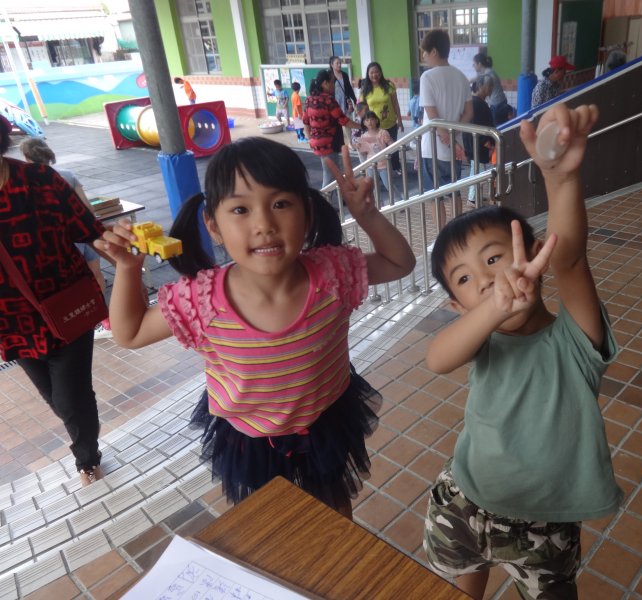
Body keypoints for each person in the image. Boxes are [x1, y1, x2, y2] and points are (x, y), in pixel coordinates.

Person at [95, 137, 416, 516]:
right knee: (267, 521)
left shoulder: (333, 274)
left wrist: (367, 216)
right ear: (213, 226)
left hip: (325, 421)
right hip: (250, 439)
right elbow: (130, 332)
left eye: (280, 204)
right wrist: (128, 269)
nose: (264, 224)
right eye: (240, 209)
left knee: (333, 513)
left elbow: (400, 263)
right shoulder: (200, 299)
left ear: (307, 214)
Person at [424, 103, 622, 599]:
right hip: (465, 499)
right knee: (463, 573)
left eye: (495, 258)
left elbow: (571, 259)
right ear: (457, 306)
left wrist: (559, 177)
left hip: (543, 524)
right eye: (465, 279)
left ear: (533, 255)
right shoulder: (483, 339)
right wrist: (493, 308)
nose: (486, 280)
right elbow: (436, 359)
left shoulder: (574, 340)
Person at [0, 115, 107, 487]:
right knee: (59, 400)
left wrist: (125, 255)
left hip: (66, 309)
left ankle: (87, 460)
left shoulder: (41, 180)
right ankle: (84, 431)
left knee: (71, 398)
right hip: (12, 323)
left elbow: (90, 230)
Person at [18, 137, 106, 295]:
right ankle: (101, 307)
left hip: (64, 242)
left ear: (26, 157)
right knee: (96, 274)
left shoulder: (24, 184)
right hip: (86, 234)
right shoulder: (67, 175)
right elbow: (87, 208)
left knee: (76, 284)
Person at [418, 29, 472, 226]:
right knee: (454, 191)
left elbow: (432, 116)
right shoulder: (461, 77)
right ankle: (456, 233)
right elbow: (469, 113)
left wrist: (445, 136)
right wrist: (453, 134)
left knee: (435, 196)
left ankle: (442, 236)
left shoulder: (427, 77)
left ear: (434, 51)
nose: (423, 57)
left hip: (432, 147)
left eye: (424, 52)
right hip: (454, 147)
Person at [303, 69, 361, 194]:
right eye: (332, 82)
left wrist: (310, 139)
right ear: (325, 83)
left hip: (317, 143)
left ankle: (343, 196)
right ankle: (324, 200)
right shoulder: (328, 100)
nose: (334, 85)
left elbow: (306, 122)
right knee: (329, 175)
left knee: (335, 170)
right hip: (329, 143)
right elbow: (344, 120)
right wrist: (361, 126)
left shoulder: (309, 100)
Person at [359, 62, 404, 172]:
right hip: (374, 127)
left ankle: (396, 167)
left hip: (390, 123)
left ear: (380, 73)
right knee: (377, 149)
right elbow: (362, 110)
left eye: (377, 72)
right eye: (371, 72)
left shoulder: (389, 86)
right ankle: (381, 170)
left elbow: (395, 104)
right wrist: (364, 124)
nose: (374, 75)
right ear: (368, 74)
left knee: (392, 147)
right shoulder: (365, 90)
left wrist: (400, 120)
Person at [356, 110, 401, 203]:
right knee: (373, 187)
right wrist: (358, 148)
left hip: (384, 164)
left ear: (376, 120)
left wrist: (390, 141)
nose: (369, 122)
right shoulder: (363, 136)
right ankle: (379, 205)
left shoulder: (383, 133)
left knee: (388, 185)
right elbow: (364, 153)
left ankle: (400, 201)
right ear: (364, 123)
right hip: (371, 165)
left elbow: (392, 146)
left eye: (372, 119)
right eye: (367, 120)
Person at [463, 75, 495, 205]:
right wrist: (487, 143)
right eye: (489, 86)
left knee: (477, 169)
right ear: (481, 86)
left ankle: (474, 197)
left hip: (475, 143)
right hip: (477, 144)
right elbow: (477, 126)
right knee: (477, 171)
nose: (491, 89)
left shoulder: (475, 102)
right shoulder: (477, 103)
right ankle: (472, 198)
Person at [472, 52, 509, 125]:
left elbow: (480, 81)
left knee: (497, 127)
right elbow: (478, 78)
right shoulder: (487, 72)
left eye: (474, 64)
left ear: (479, 64)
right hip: (498, 103)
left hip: (498, 104)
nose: (473, 67)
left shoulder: (488, 73)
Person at [330, 56, 358, 149]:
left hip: (344, 103)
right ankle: (339, 142)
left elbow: (349, 88)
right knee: (336, 124)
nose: (339, 65)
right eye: (337, 63)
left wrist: (354, 100)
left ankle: (350, 142)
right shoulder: (329, 76)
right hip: (334, 104)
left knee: (347, 122)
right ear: (332, 65)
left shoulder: (344, 75)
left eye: (340, 63)